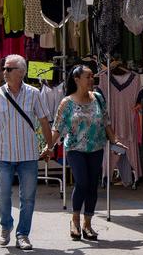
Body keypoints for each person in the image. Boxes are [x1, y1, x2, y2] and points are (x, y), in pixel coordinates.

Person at [0, 54, 55, 251]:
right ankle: (6, 225)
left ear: (21, 72)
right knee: (2, 195)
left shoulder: (34, 93)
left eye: (8, 69)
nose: (3, 72)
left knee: (28, 198)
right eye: (4, 69)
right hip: (4, 154)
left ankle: (23, 234)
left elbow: (44, 121)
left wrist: (49, 146)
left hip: (28, 154)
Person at [44, 65, 127, 241]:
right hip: (75, 148)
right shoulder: (67, 102)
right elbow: (57, 127)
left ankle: (87, 223)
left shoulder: (97, 98)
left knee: (92, 185)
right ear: (77, 80)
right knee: (81, 182)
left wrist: (114, 140)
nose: (92, 80)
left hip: (96, 147)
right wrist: (48, 146)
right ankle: (74, 220)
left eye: (92, 77)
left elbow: (106, 121)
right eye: (88, 77)